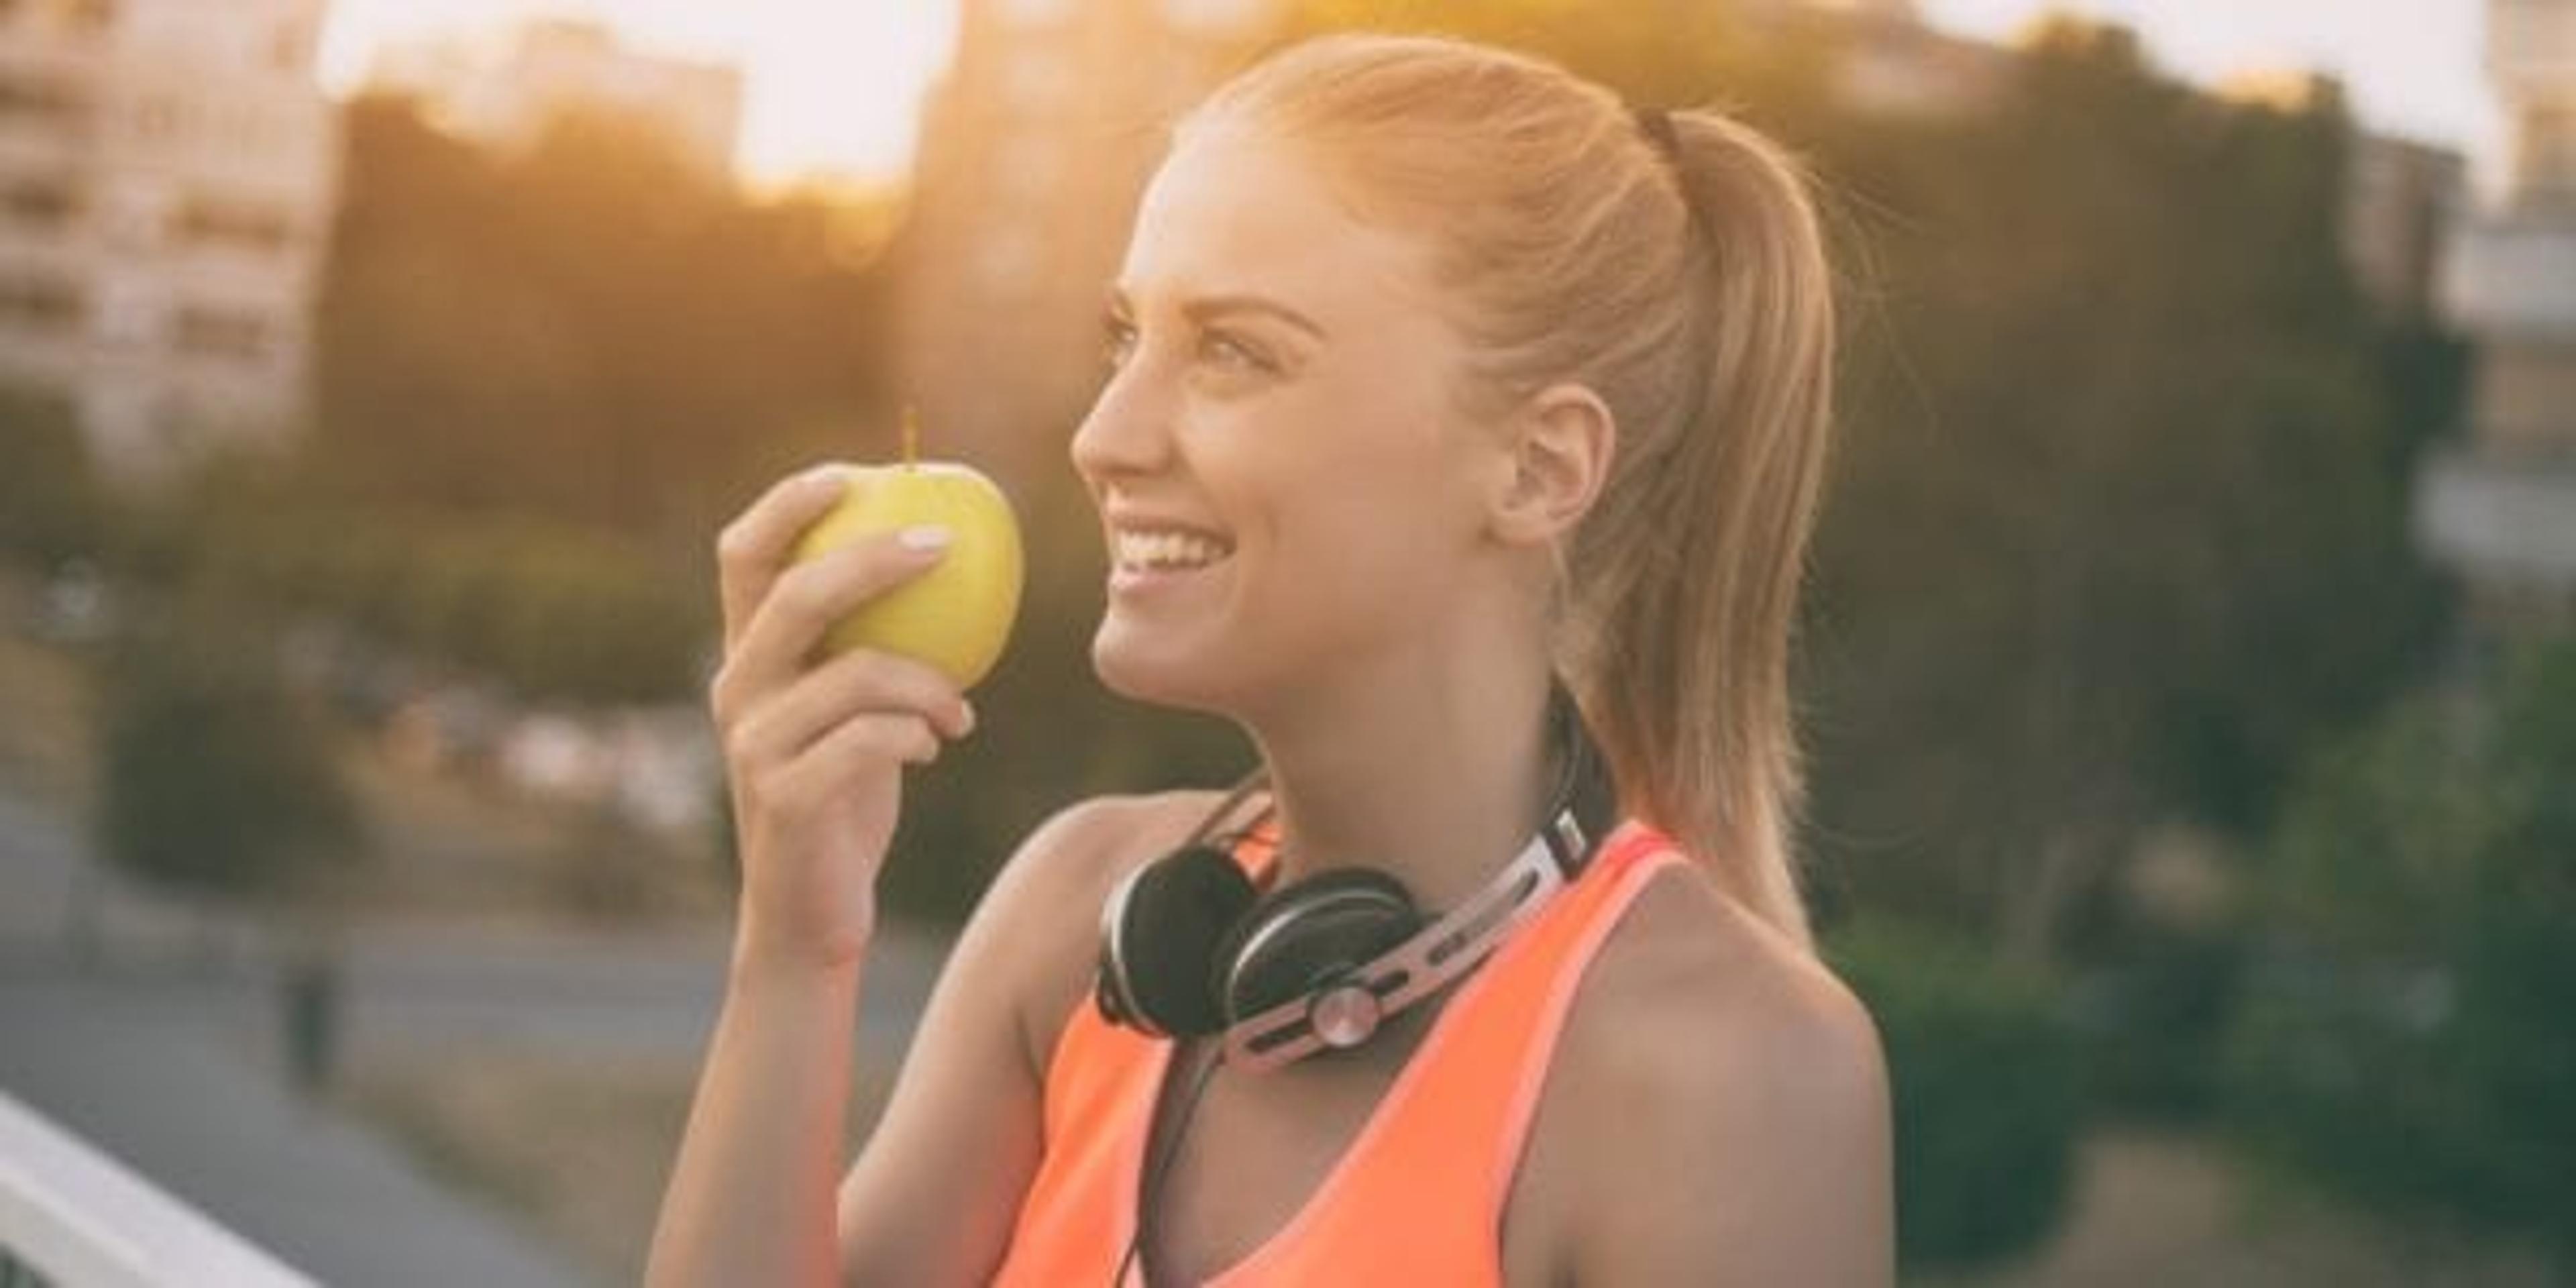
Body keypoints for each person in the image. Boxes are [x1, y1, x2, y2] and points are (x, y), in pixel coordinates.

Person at [649, 28, 1892, 1287]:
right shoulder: (1072, 917)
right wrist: (795, 955)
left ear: (1538, 467)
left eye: (1234, 351)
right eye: (1126, 339)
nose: (1104, 437)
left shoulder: (1726, 1076)